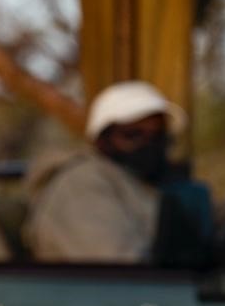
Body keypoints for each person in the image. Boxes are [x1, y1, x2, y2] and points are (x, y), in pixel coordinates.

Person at [25, 81, 211, 266]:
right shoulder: (82, 182)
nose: (148, 145)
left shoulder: (149, 183)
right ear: (102, 140)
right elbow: (120, 275)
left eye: (158, 136)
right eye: (132, 135)